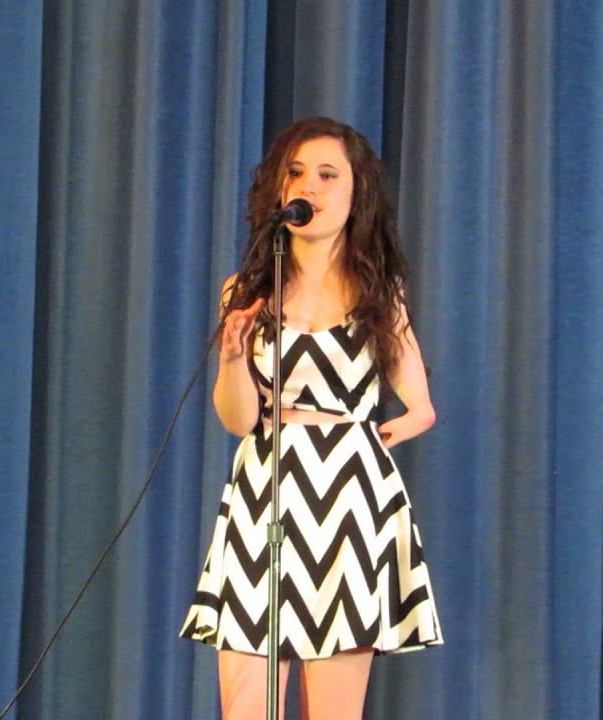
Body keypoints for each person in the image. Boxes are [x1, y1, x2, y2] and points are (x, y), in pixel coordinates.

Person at [180, 116, 443, 719]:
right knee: (246, 701)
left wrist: (386, 432)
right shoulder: (246, 290)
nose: (310, 187)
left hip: (349, 495)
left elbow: (421, 404)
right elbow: (238, 421)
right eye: (297, 173)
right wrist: (233, 357)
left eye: (328, 175)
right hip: (266, 484)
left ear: (356, 193)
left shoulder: (379, 292)